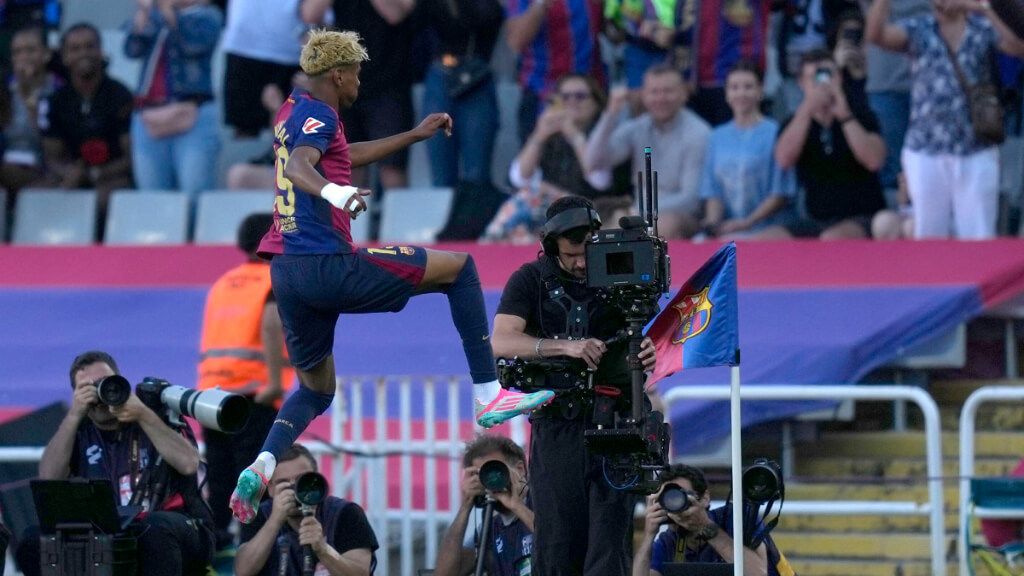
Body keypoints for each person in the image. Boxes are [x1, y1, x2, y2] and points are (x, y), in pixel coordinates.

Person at [229, 29, 554, 524]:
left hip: (288, 273)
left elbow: (338, 154)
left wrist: (413, 136)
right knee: (460, 269)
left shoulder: (294, 109)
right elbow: (301, 166)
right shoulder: (322, 113)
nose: (362, 79)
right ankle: (490, 394)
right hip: (328, 264)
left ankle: (262, 463)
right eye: (357, 71)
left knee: (316, 390)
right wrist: (337, 196)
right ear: (338, 74)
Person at [491, 195, 658, 575]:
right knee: (556, 541)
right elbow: (501, 340)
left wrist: (646, 347)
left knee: (608, 543)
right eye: (571, 255)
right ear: (551, 247)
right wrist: (563, 346)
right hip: (556, 423)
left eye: (586, 252)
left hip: (614, 422)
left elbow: (642, 329)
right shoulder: (529, 279)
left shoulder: (620, 268)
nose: (582, 263)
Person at [21, 351, 214, 576]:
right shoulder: (77, 431)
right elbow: (49, 480)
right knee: (32, 541)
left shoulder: (156, 414)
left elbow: (189, 464)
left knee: (155, 529)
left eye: (104, 383)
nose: (100, 394)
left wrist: (143, 415)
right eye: (88, 388)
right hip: (108, 534)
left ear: (119, 381)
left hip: (177, 528)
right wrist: (74, 414)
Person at [866, 0, 1024, 239]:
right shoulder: (918, 28)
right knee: (929, 234)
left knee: (979, 235)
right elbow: (876, 36)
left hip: (976, 147)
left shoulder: (981, 30)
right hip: (925, 148)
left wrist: (982, 8)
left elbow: (1017, 47)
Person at [198, 212, 296, 550]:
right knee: (252, 481)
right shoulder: (273, 278)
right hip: (253, 395)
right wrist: (274, 382)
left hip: (212, 397)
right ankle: (252, 552)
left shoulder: (225, 282)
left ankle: (215, 549)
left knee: (220, 479)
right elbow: (271, 323)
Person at [487, 73, 623, 243]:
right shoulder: (551, 137)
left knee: (528, 202)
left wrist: (574, 135)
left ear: (596, 103)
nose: (572, 102)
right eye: (565, 97)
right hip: (551, 210)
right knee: (524, 202)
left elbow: (599, 181)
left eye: (580, 96)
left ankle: (491, 241)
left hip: (594, 210)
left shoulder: (603, 135)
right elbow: (519, 178)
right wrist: (539, 135)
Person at [766, 49, 886, 239]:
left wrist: (845, 115)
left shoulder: (861, 114)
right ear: (801, 83)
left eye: (828, 76)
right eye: (815, 77)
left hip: (863, 216)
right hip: (816, 219)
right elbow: (783, 160)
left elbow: (874, 160)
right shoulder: (795, 122)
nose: (823, 83)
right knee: (763, 241)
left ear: (838, 78)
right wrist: (807, 110)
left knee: (832, 238)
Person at [585, 64, 712, 239]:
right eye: (654, 92)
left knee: (663, 225)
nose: (660, 98)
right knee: (594, 224)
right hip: (639, 213)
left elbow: (691, 200)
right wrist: (611, 114)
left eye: (668, 91)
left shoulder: (699, 132)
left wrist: (637, 212)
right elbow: (593, 162)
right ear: (643, 95)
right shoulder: (637, 127)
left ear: (683, 93)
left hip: (683, 217)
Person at [39, 23, 134, 235]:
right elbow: (52, 157)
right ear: (64, 57)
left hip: (112, 178)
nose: (84, 53)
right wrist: (70, 173)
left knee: (100, 199)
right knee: (36, 196)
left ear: (101, 51)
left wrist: (92, 174)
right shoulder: (56, 101)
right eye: (75, 48)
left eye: (90, 46)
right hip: (71, 178)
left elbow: (131, 158)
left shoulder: (121, 96)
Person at [124, 0, 222, 199]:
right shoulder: (154, 15)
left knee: (194, 194)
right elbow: (132, 50)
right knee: (153, 198)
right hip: (149, 115)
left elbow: (192, 45)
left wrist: (168, 12)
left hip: (194, 113)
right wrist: (143, 15)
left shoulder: (208, 15)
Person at [234, 443, 378, 576]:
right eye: (283, 483)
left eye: (301, 481)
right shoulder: (260, 515)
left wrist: (324, 550)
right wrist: (275, 521)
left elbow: (361, 573)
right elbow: (243, 571)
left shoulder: (345, 513)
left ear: (316, 478)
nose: (294, 490)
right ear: (270, 488)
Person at [633, 464, 795, 576]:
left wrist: (705, 526)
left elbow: (758, 573)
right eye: (669, 498)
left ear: (705, 498)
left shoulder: (737, 517)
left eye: (682, 495)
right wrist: (649, 535)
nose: (677, 503)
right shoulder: (669, 541)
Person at [698, 61, 797, 239]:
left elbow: (780, 192)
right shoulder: (717, 136)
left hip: (769, 227)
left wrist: (747, 223)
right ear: (727, 93)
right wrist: (713, 225)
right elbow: (713, 190)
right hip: (728, 227)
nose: (741, 93)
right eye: (734, 87)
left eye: (748, 87)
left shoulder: (776, 132)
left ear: (760, 91)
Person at [420, 0, 504, 189]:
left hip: (476, 76)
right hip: (439, 74)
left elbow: (487, 19)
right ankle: (445, 217)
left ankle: (472, 216)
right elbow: (415, 24)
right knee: (441, 174)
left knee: (477, 174)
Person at [504, 0, 605, 143]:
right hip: (542, 96)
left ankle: (649, 163)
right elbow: (516, 41)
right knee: (539, 162)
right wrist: (539, 4)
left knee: (643, 143)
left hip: (589, 96)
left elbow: (615, 35)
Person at [435, 435, 534, 576]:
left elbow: (560, 542)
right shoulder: (489, 526)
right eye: (482, 474)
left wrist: (517, 506)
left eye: (496, 469)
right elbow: (444, 574)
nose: (491, 479)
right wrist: (466, 505)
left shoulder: (546, 504)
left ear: (520, 469)